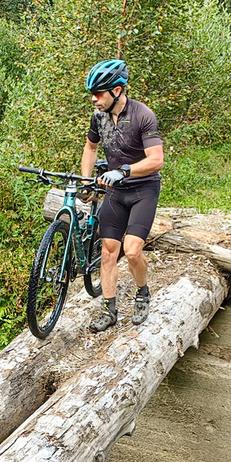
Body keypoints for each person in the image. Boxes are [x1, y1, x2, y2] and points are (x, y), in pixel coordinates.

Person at [78, 59, 164, 331]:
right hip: (115, 191)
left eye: (98, 93)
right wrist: (86, 181)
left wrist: (124, 171)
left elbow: (156, 160)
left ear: (116, 90)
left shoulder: (142, 115)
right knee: (108, 253)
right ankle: (109, 309)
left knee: (132, 250)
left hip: (143, 189)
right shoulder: (98, 117)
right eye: (92, 93)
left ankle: (142, 292)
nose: (94, 99)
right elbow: (90, 148)